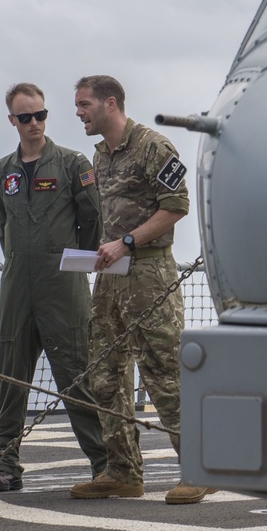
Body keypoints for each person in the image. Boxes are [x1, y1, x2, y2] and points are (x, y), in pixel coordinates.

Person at [71, 74, 213, 504]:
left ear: (110, 103)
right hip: (112, 276)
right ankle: (123, 471)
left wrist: (128, 241)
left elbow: (177, 207)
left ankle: (198, 468)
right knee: (106, 375)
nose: (78, 113)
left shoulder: (153, 146)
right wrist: (107, 249)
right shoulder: (99, 156)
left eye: (84, 105)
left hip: (150, 274)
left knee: (163, 373)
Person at [0, 82, 107, 492]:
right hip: (18, 285)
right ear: (12, 121)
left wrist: (79, 260)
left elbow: (92, 220)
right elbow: (4, 225)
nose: (34, 123)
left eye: (40, 115)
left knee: (76, 374)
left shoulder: (73, 164)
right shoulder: (1, 173)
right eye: (25, 117)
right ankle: (5, 464)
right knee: (11, 376)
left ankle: (103, 462)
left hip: (63, 286)